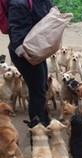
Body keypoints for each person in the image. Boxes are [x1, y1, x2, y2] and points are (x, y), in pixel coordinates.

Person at [7, 0, 54, 128]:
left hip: (37, 49)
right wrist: (26, 53)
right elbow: (16, 31)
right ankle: (38, 126)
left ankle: (44, 118)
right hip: (25, 54)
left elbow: (51, 10)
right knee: (37, 90)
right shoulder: (18, 3)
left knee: (43, 86)